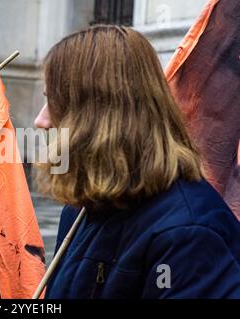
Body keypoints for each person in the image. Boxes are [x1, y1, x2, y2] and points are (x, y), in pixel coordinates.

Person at [34, 25, 240, 298]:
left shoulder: (189, 233)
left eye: (56, 102)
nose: (40, 121)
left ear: (100, 115)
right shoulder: (81, 209)